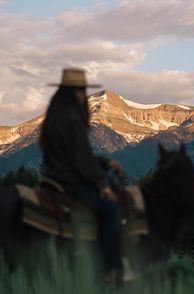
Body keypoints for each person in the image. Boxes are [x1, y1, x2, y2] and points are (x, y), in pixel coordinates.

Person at [39, 68, 123, 280]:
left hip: (53, 179)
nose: (82, 95)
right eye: (81, 90)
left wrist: (104, 161)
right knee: (112, 210)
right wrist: (103, 183)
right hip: (72, 183)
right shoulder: (73, 120)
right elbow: (82, 161)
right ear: (74, 92)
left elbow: (74, 155)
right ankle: (111, 269)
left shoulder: (53, 118)